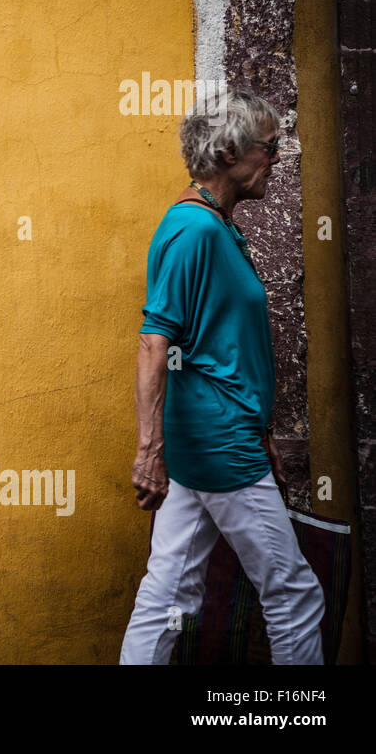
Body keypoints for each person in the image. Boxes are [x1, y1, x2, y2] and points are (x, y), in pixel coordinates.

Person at [120, 87, 324, 665]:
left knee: (169, 592)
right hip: (217, 444)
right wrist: (147, 451)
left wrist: (261, 432)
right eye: (270, 146)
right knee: (294, 595)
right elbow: (154, 341)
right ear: (230, 150)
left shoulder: (218, 226)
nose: (277, 158)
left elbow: (219, 348)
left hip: (217, 437)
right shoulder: (195, 231)